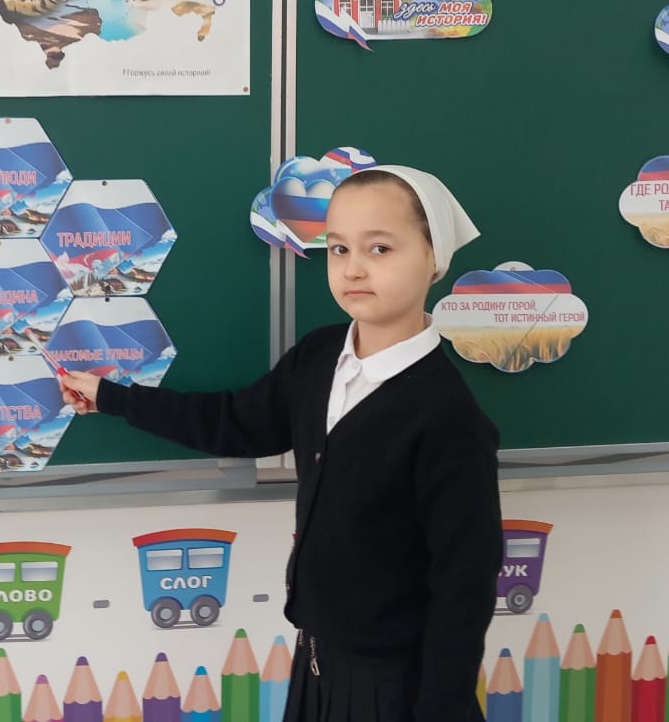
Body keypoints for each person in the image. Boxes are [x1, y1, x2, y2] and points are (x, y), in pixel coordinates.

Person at [60, 165, 503, 722]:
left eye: (380, 248)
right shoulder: (319, 357)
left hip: (395, 681)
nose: (354, 268)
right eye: (338, 249)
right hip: (317, 655)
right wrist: (112, 398)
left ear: (433, 257)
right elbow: (234, 422)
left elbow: (464, 584)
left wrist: (441, 709)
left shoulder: (448, 417)